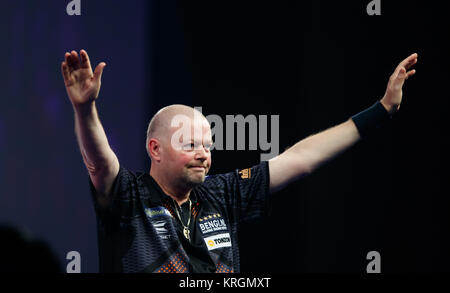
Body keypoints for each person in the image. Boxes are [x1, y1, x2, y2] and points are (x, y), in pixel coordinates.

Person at [61, 50, 417, 273]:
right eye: (189, 144)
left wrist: (381, 110)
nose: (203, 154)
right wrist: (84, 108)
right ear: (155, 149)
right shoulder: (129, 197)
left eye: (208, 145)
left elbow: (301, 158)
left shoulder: (224, 193)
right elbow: (100, 162)